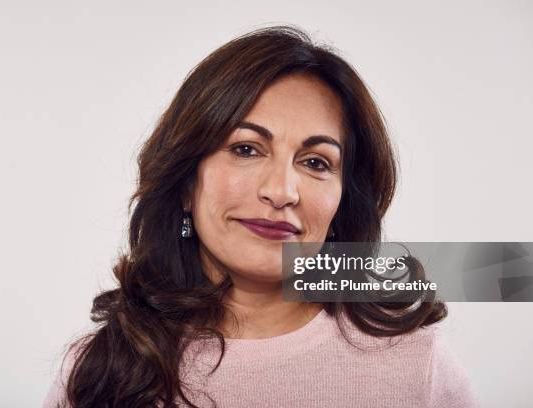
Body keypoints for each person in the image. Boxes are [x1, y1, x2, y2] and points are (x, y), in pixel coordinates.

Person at [42, 25, 480, 407]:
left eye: (316, 163)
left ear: (343, 200)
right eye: (246, 149)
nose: (281, 192)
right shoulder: (100, 371)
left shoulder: (417, 364)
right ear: (185, 183)